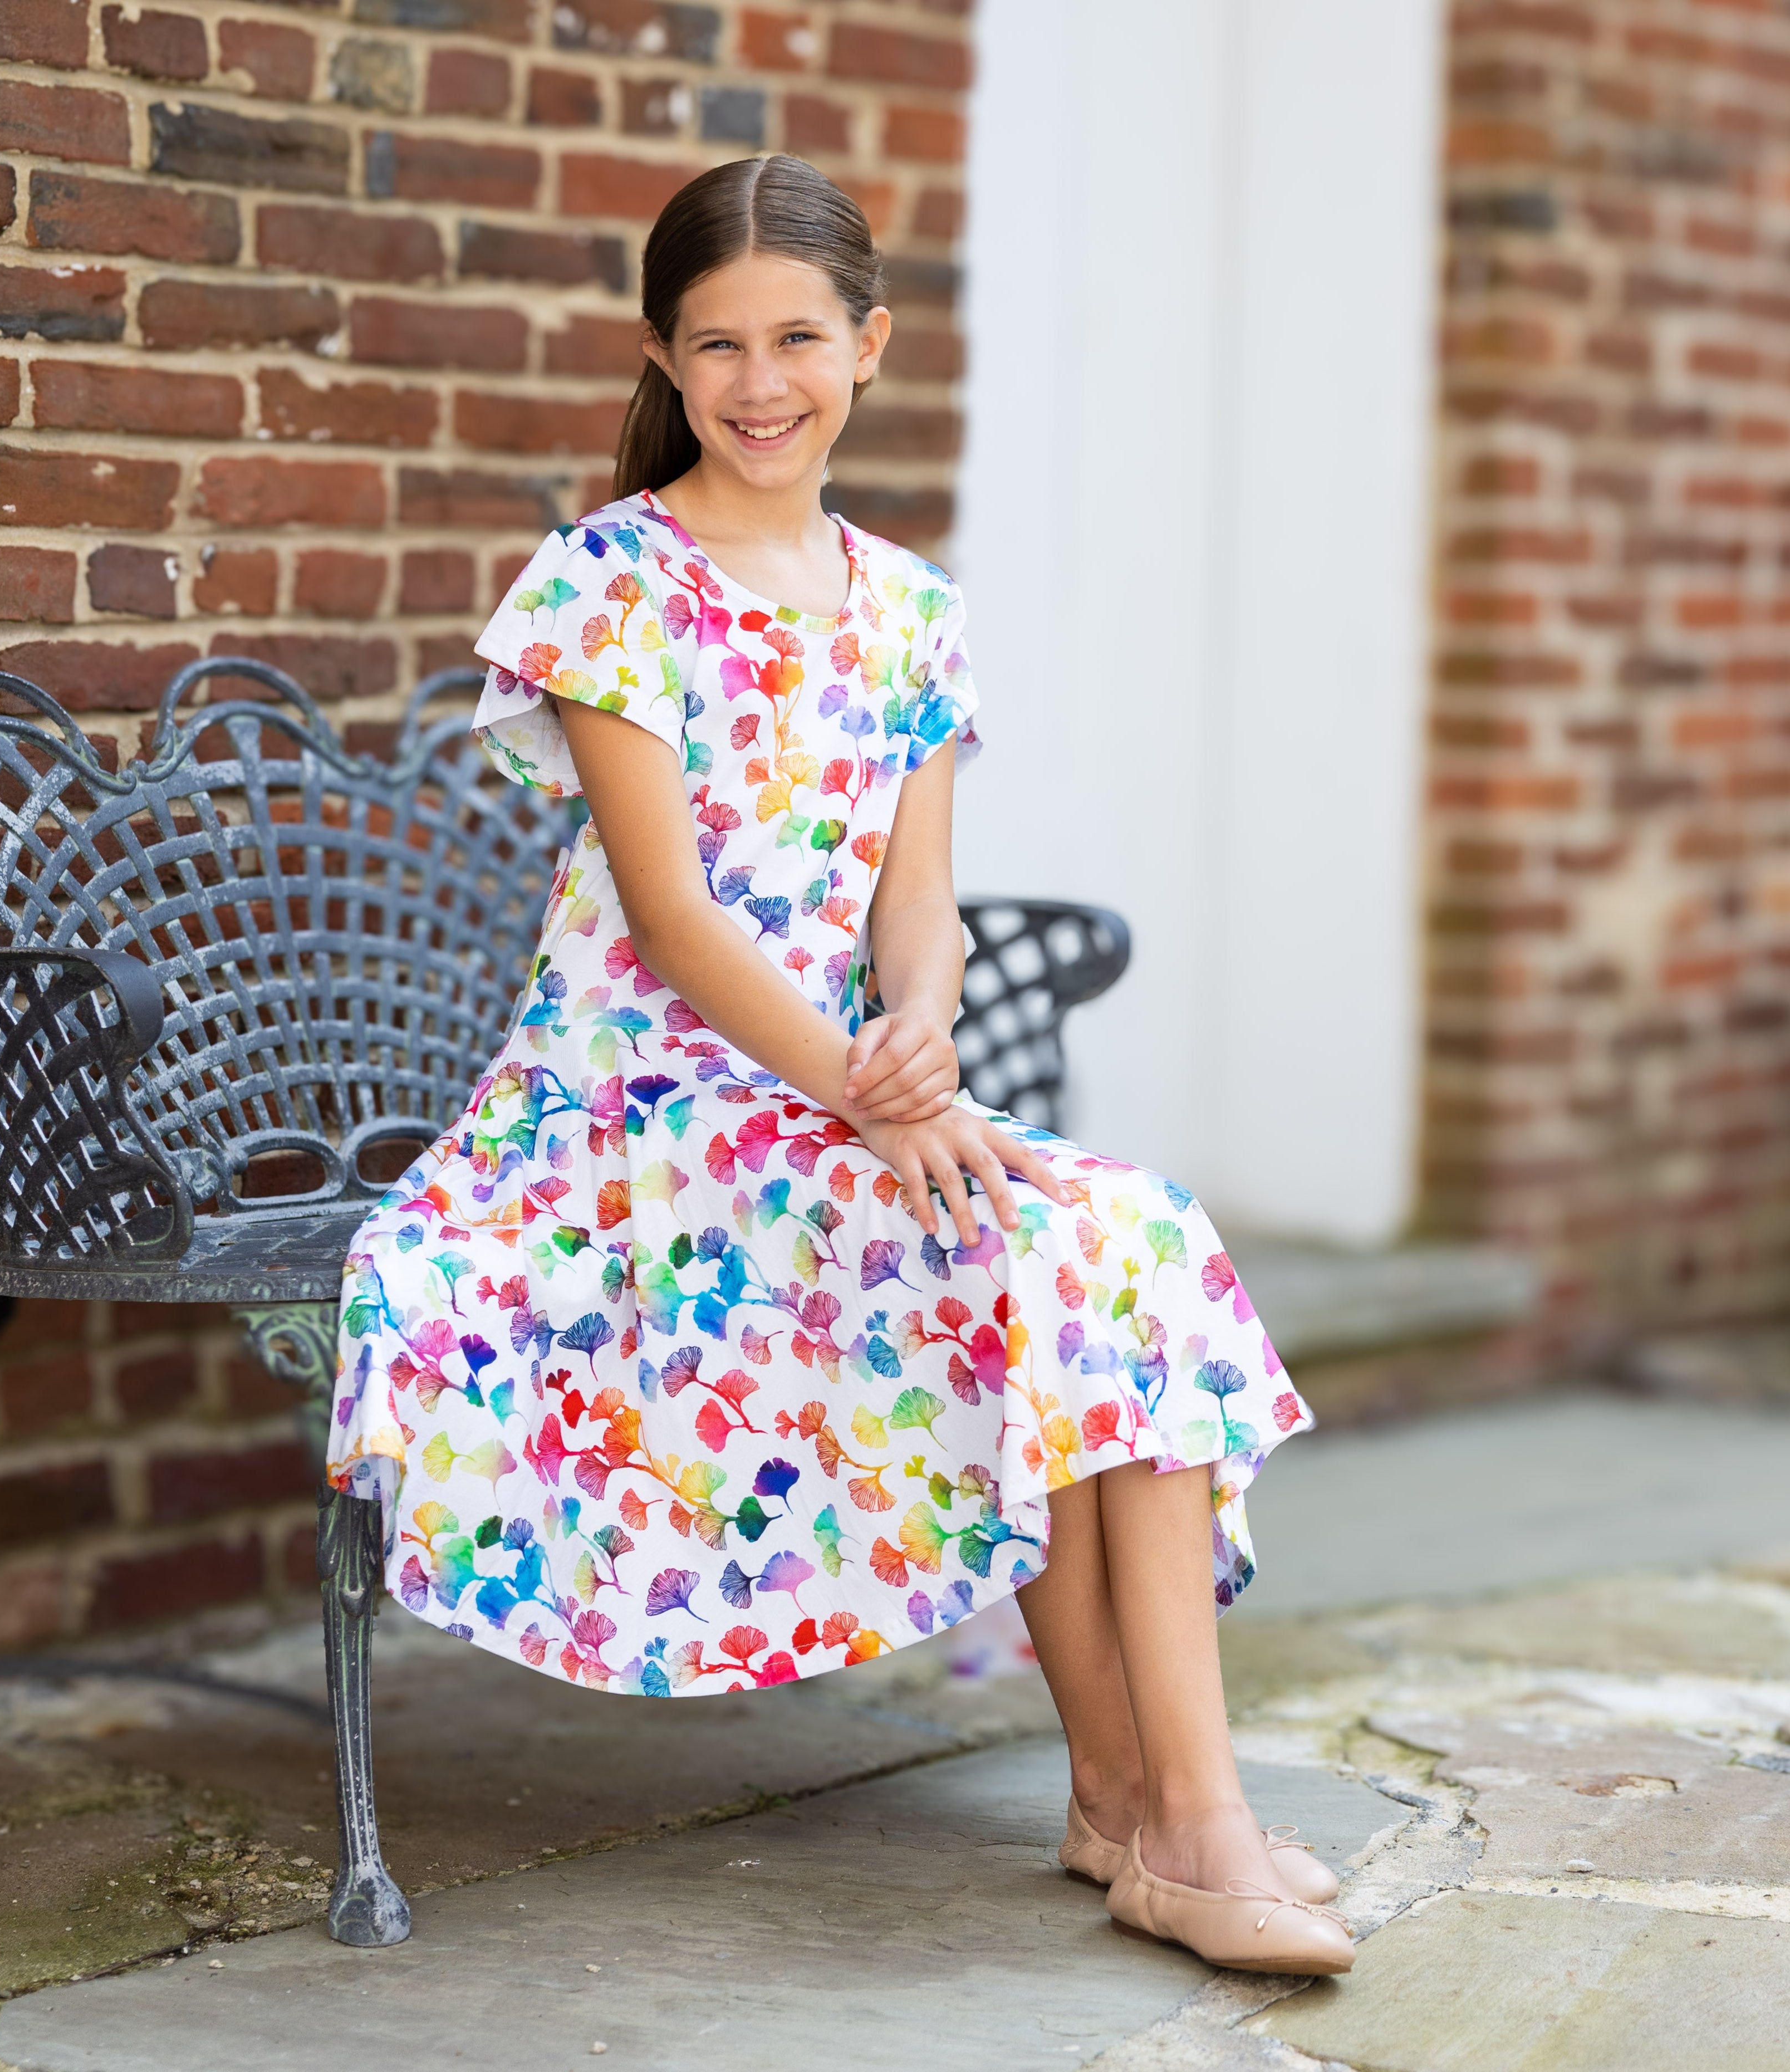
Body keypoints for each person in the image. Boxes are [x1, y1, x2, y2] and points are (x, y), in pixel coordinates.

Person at [330, 154, 1352, 1976]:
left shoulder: (909, 606)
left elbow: (921, 901)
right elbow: (672, 919)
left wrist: (923, 1037)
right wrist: (881, 1093)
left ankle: (1152, 1807)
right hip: (636, 1114)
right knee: (1044, 1256)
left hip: (848, 1092)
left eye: (797, 334)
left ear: (867, 346)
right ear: (664, 353)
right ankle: (1164, 1814)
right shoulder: (606, 581)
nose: (757, 378)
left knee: (1111, 1241)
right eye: (715, 342)